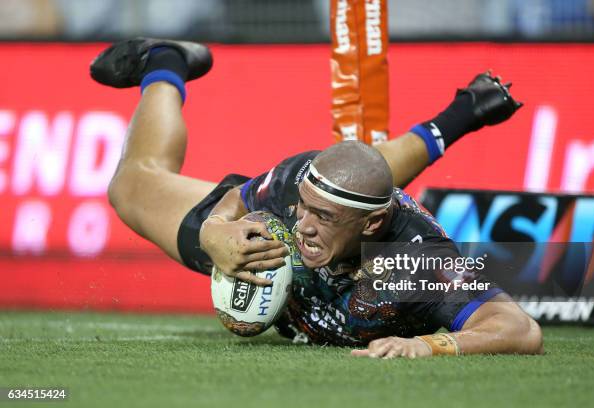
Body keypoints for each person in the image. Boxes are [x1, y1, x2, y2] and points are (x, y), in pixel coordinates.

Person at [91, 38, 542, 358]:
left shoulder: (416, 264)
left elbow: (519, 329)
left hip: (361, 233)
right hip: (256, 253)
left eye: (320, 217)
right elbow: (240, 198)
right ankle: (165, 61)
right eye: (302, 208)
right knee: (128, 187)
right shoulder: (297, 182)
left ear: (370, 226)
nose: (301, 224)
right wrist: (216, 232)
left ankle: (459, 115)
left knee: (362, 183)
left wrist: (428, 344)